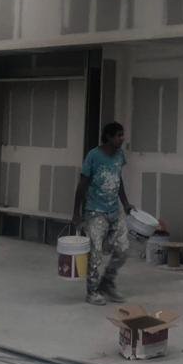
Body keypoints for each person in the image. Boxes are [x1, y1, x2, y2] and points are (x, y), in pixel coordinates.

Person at [72, 122, 134, 306]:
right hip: (95, 212)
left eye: (122, 135)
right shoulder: (93, 156)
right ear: (108, 137)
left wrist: (126, 203)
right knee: (95, 254)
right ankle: (92, 292)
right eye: (118, 135)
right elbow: (82, 184)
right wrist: (76, 213)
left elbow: (117, 179)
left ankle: (107, 282)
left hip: (114, 209)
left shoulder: (120, 155)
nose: (122, 139)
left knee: (123, 249)